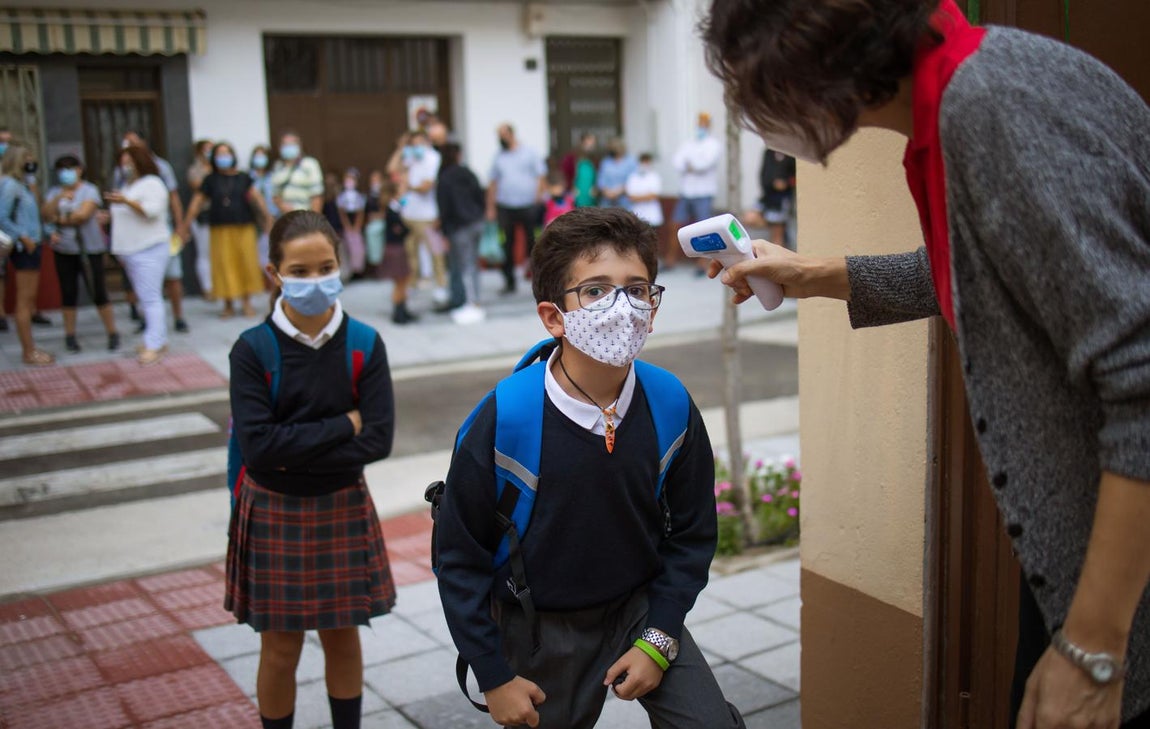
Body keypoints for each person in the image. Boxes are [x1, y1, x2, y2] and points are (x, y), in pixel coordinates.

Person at [701, 1, 1150, 727]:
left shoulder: (992, 107)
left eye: (759, 88)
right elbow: (988, 273)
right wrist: (816, 273)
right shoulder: (963, 95)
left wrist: (1094, 650)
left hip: (1123, 573)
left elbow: (1143, 380)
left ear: (814, 61)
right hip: (1076, 548)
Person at [436, 206, 747, 729]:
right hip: (539, 622)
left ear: (653, 307)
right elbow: (458, 557)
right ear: (554, 317)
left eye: (637, 289)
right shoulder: (506, 416)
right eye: (596, 290)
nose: (621, 307)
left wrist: (659, 639)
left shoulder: (669, 403)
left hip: (639, 608)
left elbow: (693, 536)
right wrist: (493, 675)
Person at [226, 210, 397, 729]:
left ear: (340, 265)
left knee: (343, 637)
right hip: (273, 506)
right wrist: (344, 424)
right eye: (299, 272)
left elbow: (378, 440)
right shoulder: (253, 350)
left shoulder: (364, 343)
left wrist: (293, 446)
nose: (314, 281)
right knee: (280, 648)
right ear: (274, 272)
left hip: (341, 503)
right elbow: (259, 449)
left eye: (325, 267)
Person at [180, 142, 272, 319]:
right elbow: (197, 202)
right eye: (219, 154)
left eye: (226, 153)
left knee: (245, 262)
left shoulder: (243, 177)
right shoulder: (210, 180)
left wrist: (267, 217)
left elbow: (257, 198)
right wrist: (185, 224)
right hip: (220, 229)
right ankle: (228, 304)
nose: (223, 158)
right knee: (224, 264)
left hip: (244, 226)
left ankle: (246, 302)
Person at [41, 155, 120, 352]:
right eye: (62, 170)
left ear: (79, 170)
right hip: (64, 250)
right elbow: (45, 214)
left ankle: (112, 332)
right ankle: (70, 335)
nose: (66, 173)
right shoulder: (54, 192)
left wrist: (58, 218)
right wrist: (59, 200)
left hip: (89, 249)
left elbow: (82, 216)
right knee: (68, 292)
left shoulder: (89, 190)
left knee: (98, 291)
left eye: (70, 168)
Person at [106, 145, 171, 366]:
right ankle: (156, 338)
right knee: (144, 298)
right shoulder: (128, 185)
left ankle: (154, 344)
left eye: (129, 162)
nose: (125, 166)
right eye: (122, 162)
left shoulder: (152, 183)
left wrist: (126, 201)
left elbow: (151, 211)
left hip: (149, 248)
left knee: (151, 298)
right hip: (131, 250)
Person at [0, 142, 54, 366]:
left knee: (29, 299)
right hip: (25, 247)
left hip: (33, 243)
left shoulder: (24, 185)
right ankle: (28, 352)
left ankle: (30, 348)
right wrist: (23, 237)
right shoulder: (10, 184)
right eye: (27, 158)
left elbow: (36, 215)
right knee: (24, 301)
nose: (31, 162)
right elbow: (2, 216)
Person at [486, 123, 547, 295]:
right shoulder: (498, 156)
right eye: (499, 136)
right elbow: (493, 182)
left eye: (503, 135)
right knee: (506, 243)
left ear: (511, 134)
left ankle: (538, 280)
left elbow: (541, 176)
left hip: (528, 205)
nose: (501, 139)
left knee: (533, 243)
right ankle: (509, 281)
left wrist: (538, 196)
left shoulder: (529, 153)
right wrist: (490, 207)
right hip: (505, 206)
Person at [435, 142, 486, 324]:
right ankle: (470, 299)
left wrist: (445, 230)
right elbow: (480, 195)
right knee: (472, 263)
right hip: (475, 222)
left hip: (458, 226)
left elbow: (444, 207)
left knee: (463, 266)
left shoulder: (444, 177)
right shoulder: (467, 172)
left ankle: (471, 302)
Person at [399, 131, 446, 304]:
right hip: (409, 214)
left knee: (435, 250)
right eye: (413, 143)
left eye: (419, 142)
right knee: (411, 252)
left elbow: (426, 186)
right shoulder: (410, 157)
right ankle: (412, 284)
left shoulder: (433, 158)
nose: (416, 146)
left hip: (427, 216)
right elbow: (394, 170)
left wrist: (409, 186)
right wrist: (401, 147)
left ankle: (441, 285)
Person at [671, 112, 722, 231]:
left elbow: (704, 165)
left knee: (704, 226)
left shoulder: (713, 144)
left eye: (704, 123)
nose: (701, 126)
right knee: (676, 223)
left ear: (709, 125)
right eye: (699, 123)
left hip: (704, 193)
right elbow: (677, 162)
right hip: (686, 191)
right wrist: (691, 165)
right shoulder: (688, 143)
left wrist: (690, 164)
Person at [376, 179, 416, 325]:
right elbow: (400, 229)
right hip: (395, 248)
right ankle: (398, 312)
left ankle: (403, 309)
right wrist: (406, 229)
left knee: (403, 281)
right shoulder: (392, 210)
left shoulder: (394, 208)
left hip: (396, 247)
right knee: (400, 282)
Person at [270, 131, 323, 214]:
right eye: (285, 144)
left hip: (305, 217)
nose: (289, 147)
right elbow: (275, 194)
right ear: (279, 147)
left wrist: (313, 219)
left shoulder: (310, 164)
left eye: (292, 144)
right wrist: (284, 208)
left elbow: (317, 196)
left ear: (299, 146)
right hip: (285, 218)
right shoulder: (278, 166)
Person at [187, 138, 214, 298]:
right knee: (204, 254)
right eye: (207, 149)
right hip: (203, 216)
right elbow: (201, 188)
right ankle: (207, 288)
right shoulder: (195, 170)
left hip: (221, 217)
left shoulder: (220, 169)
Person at [249, 144, 279, 269]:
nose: (259, 159)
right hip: (254, 218)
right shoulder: (248, 178)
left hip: (274, 216)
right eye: (257, 155)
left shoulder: (274, 176)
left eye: (262, 155)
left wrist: (270, 216)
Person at [758, 149, 796, 248]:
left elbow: (796, 177)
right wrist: (772, 184)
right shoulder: (769, 153)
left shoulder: (791, 154)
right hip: (768, 197)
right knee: (749, 218)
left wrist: (786, 184)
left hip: (783, 199)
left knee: (777, 234)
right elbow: (763, 175)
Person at [336, 168, 367, 278]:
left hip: (356, 224)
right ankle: (349, 272)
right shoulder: (341, 197)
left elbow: (360, 213)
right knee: (347, 248)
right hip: (346, 224)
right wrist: (347, 226)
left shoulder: (359, 196)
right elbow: (342, 213)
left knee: (358, 248)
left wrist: (357, 226)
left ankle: (358, 271)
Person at [626, 153, 665, 233]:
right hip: (637, 215)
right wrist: (647, 196)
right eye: (643, 162)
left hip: (652, 216)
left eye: (647, 162)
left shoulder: (654, 176)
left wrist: (638, 197)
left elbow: (654, 195)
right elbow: (631, 197)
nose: (645, 164)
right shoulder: (633, 177)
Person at [596, 137, 637, 209]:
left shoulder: (631, 161)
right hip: (607, 202)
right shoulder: (606, 161)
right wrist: (606, 192)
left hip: (625, 202)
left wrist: (619, 191)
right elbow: (601, 180)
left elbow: (634, 179)